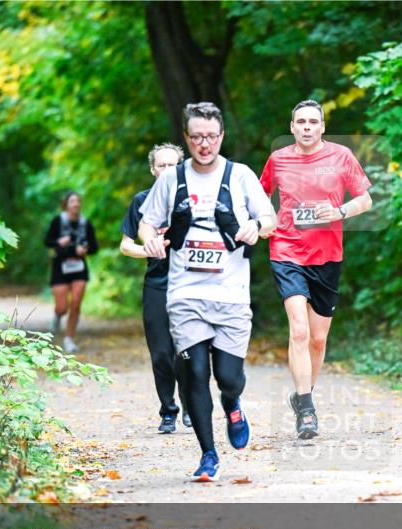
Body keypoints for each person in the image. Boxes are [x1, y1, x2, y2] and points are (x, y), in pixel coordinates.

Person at [139, 102, 276, 481]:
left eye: (211, 136)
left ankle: (232, 403)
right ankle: (208, 455)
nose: (204, 144)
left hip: (231, 295)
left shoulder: (240, 176)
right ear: (187, 137)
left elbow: (270, 219)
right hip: (186, 295)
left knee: (228, 378)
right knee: (194, 372)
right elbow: (147, 225)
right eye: (197, 136)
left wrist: (255, 227)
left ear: (221, 137)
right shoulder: (171, 180)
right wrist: (150, 242)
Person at [259, 100, 372, 439]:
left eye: (313, 122)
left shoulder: (341, 156)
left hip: (327, 257)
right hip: (287, 251)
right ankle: (307, 409)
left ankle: (302, 393)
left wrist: (338, 213)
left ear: (322, 127)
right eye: (300, 122)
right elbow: (260, 195)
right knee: (299, 330)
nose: (306, 127)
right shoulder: (278, 159)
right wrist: (266, 220)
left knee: (319, 340)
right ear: (292, 127)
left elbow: (365, 200)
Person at [119, 143, 193, 433]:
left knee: (186, 349)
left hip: (190, 282)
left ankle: (190, 404)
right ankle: (168, 411)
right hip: (157, 283)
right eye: (160, 166)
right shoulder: (141, 201)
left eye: (172, 165)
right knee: (161, 352)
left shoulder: (192, 199)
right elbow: (126, 246)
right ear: (152, 170)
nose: (166, 171)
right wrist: (149, 249)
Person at [45, 191, 98, 353]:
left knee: (75, 304)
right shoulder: (58, 221)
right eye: (72, 201)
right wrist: (58, 242)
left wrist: (85, 250)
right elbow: (47, 241)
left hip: (79, 268)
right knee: (62, 307)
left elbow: (95, 246)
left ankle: (69, 339)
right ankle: (57, 315)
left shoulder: (85, 223)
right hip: (60, 267)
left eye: (78, 201)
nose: (76, 204)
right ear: (66, 204)